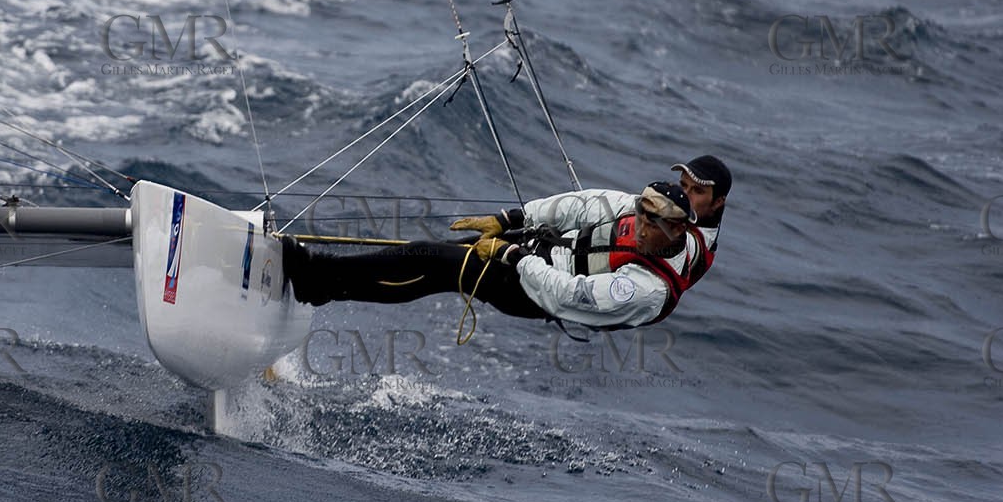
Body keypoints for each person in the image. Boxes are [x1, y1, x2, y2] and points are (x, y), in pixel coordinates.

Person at [283, 180, 709, 331]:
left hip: (531, 288)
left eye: (652, 224)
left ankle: (315, 278)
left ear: (677, 230)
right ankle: (321, 285)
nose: (641, 225)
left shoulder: (644, 289)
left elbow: (566, 294)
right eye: (640, 213)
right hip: (528, 250)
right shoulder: (644, 211)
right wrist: (509, 219)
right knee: (431, 263)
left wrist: (511, 257)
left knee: (431, 261)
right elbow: (581, 205)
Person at [671, 154, 730, 278]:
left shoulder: (696, 246)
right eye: (683, 185)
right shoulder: (684, 221)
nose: (684, 195)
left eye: (697, 191)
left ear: (717, 202)